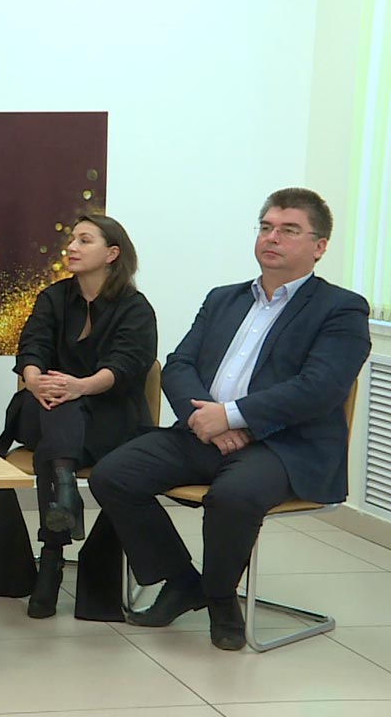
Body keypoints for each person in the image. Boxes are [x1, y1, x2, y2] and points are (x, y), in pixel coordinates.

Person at [90, 188, 370, 650]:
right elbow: (179, 364)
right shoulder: (224, 298)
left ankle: (221, 600)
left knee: (232, 497)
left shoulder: (341, 308)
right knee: (113, 475)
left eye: (289, 230)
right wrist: (206, 418)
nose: (272, 238)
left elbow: (319, 388)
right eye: (266, 227)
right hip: (204, 431)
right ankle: (182, 581)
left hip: (284, 445)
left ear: (319, 246)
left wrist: (233, 417)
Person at [0, 214, 157, 619]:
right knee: (59, 412)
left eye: (84, 240)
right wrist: (35, 381)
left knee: (61, 422)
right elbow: (32, 346)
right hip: (44, 408)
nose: (71, 247)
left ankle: (52, 554)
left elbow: (127, 365)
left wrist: (79, 386)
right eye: (71, 239)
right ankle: (64, 493)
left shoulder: (135, 308)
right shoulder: (53, 297)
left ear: (112, 253)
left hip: (106, 416)